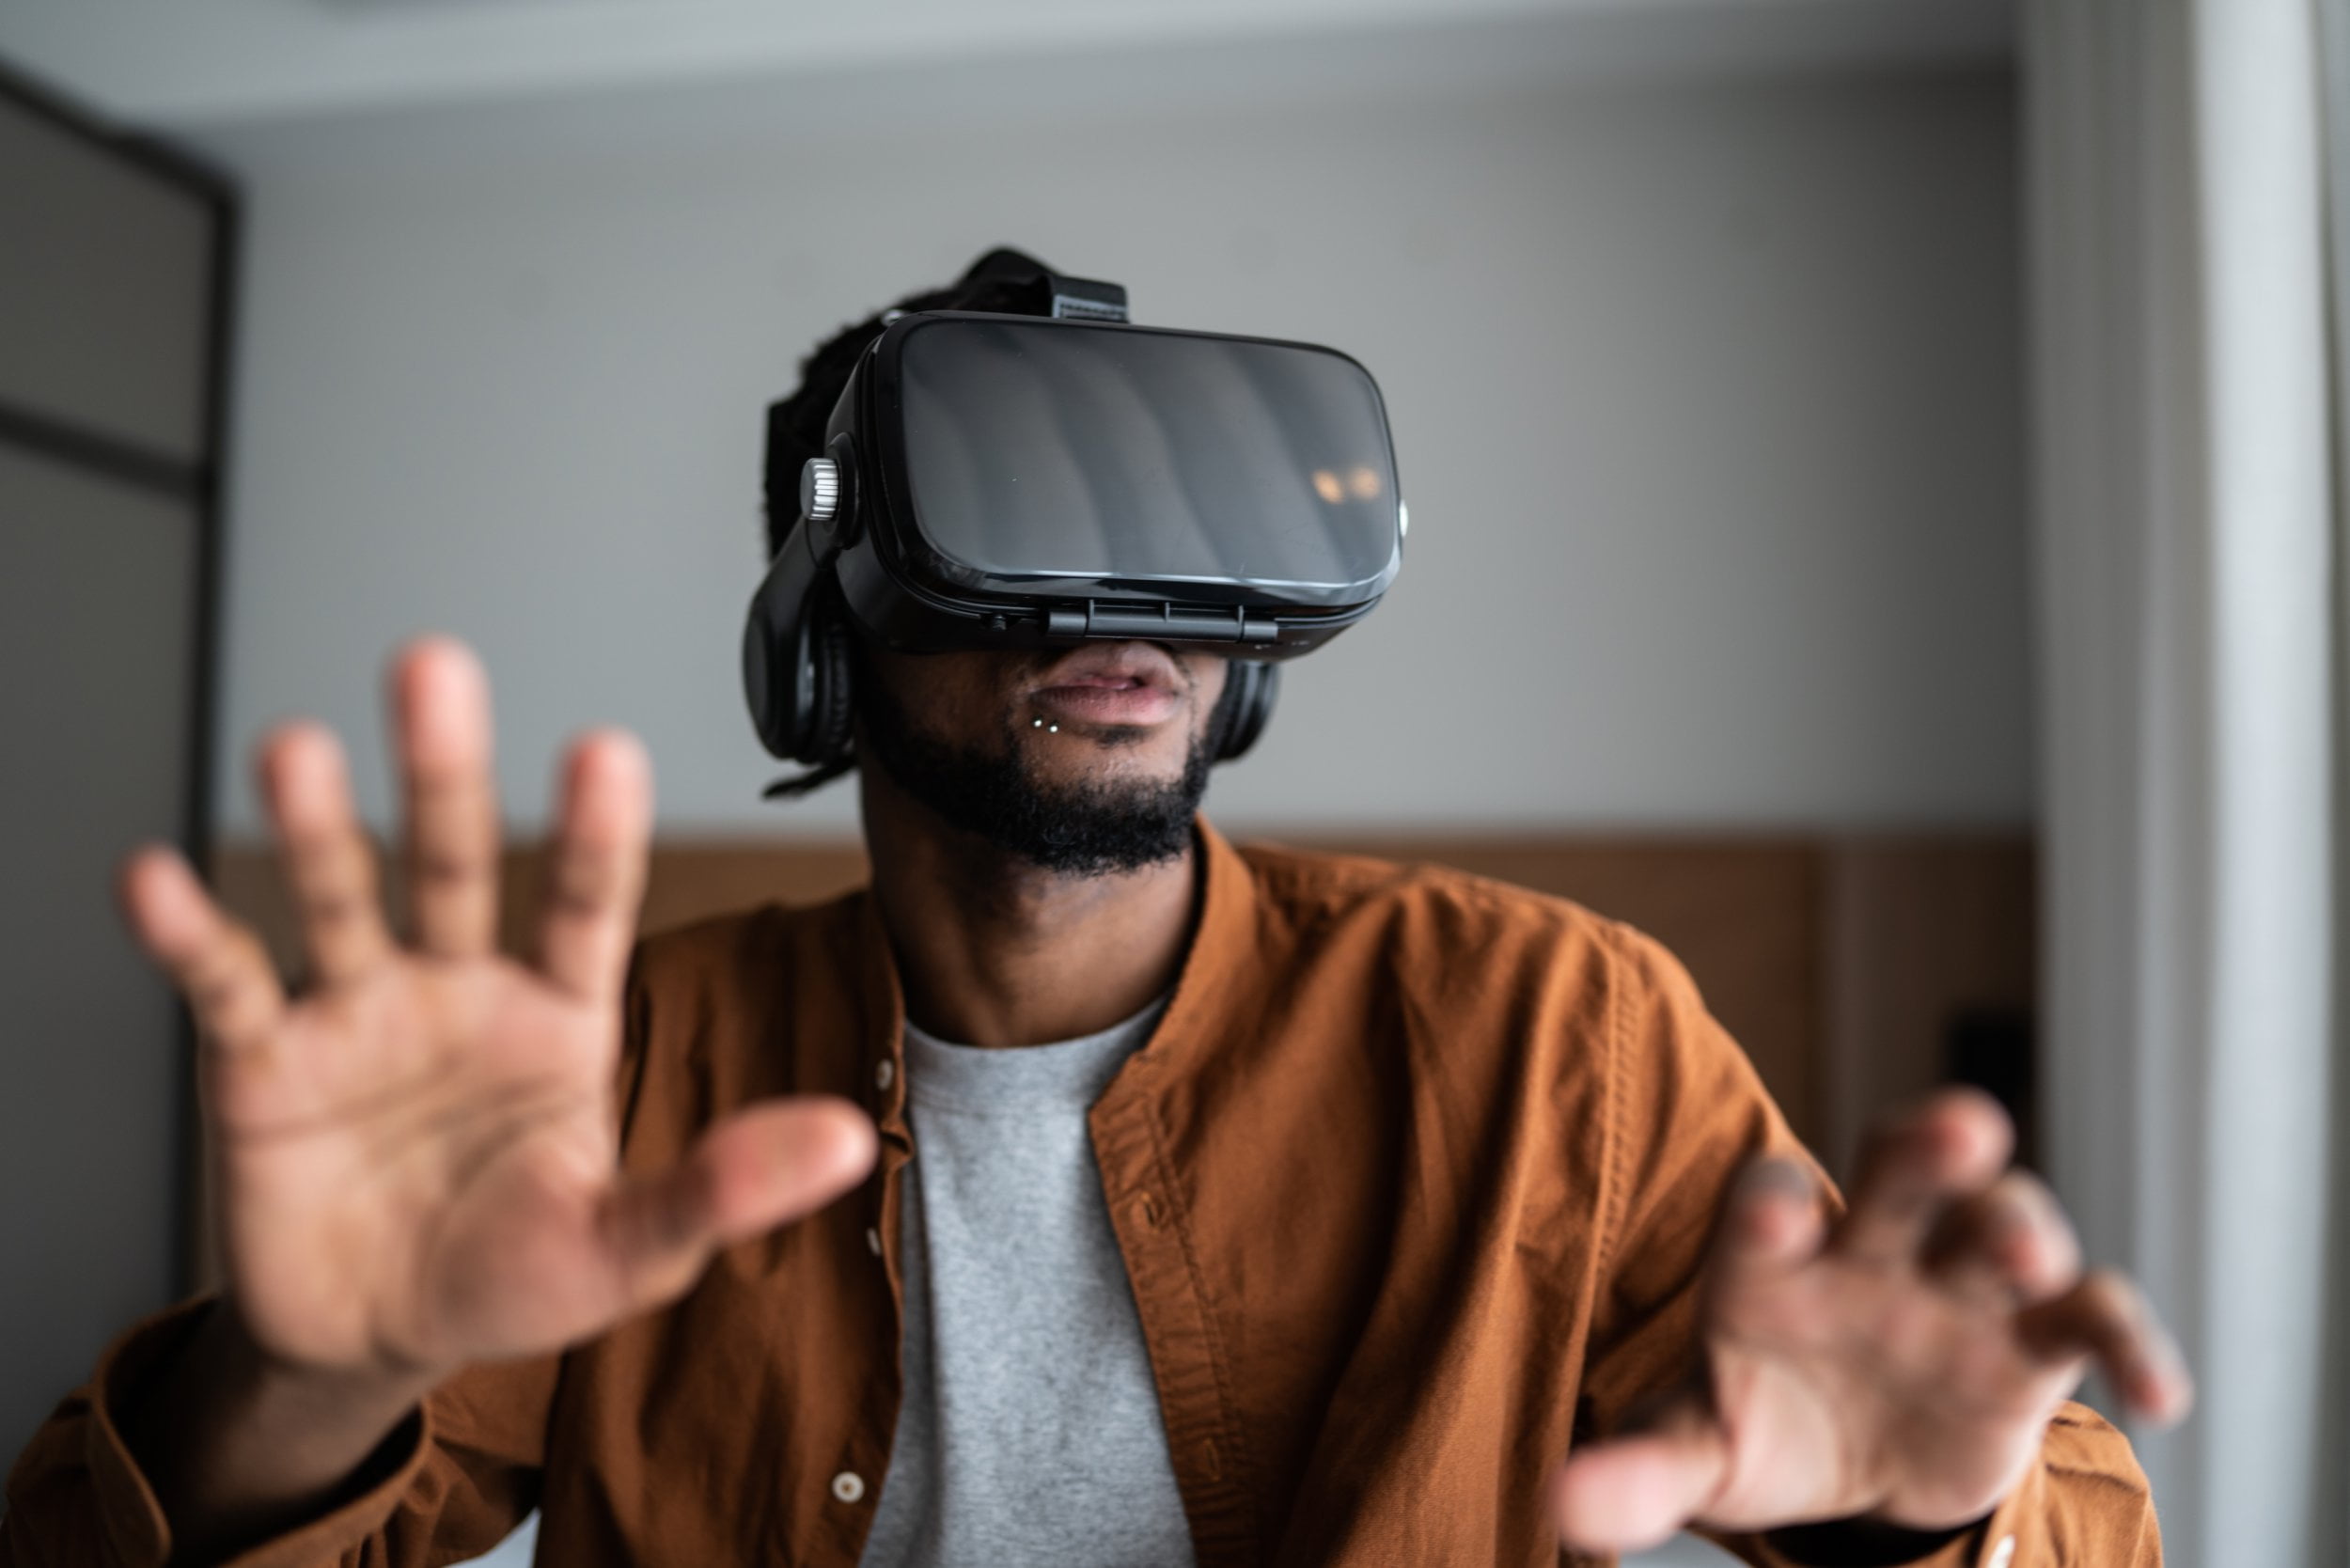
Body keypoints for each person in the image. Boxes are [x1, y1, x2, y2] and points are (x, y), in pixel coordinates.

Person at [3, 257, 2187, 1568]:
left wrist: (1909, 1525)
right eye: (1018, 507)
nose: (1124, 601)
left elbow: (2048, 1516)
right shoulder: (630, 1069)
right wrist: (303, 1376)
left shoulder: (1552, 1033)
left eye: (1173, 530)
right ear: (826, 632)